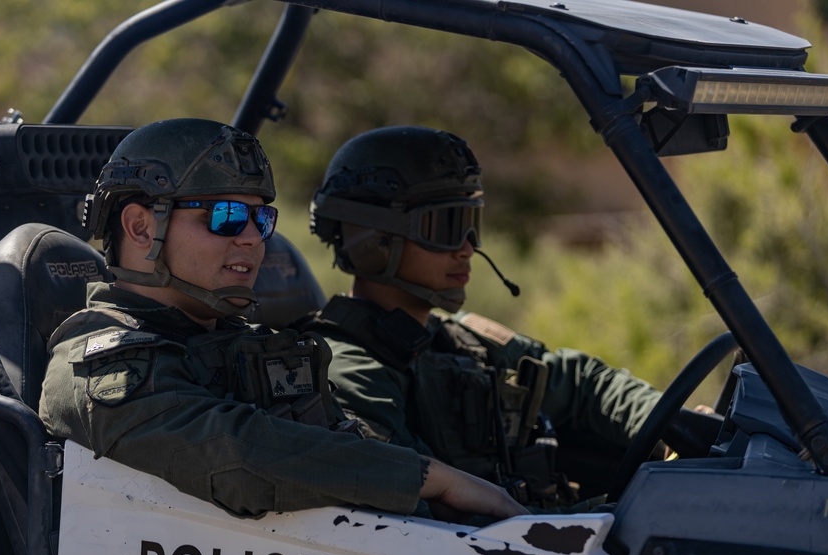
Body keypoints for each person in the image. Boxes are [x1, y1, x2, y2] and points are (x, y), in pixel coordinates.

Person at [38, 118, 526, 522]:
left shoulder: (254, 349)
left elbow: (342, 447)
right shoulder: (98, 367)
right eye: (226, 217)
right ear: (141, 227)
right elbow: (237, 459)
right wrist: (428, 477)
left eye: (261, 219)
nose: (253, 238)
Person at [300, 125, 668, 509]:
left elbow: (579, 382)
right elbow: (419, 519)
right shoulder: (347, 371)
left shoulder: (460, 341)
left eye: (472, 224)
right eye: (446, 227)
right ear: (374, 241)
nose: (467, 248)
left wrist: (674, 426)